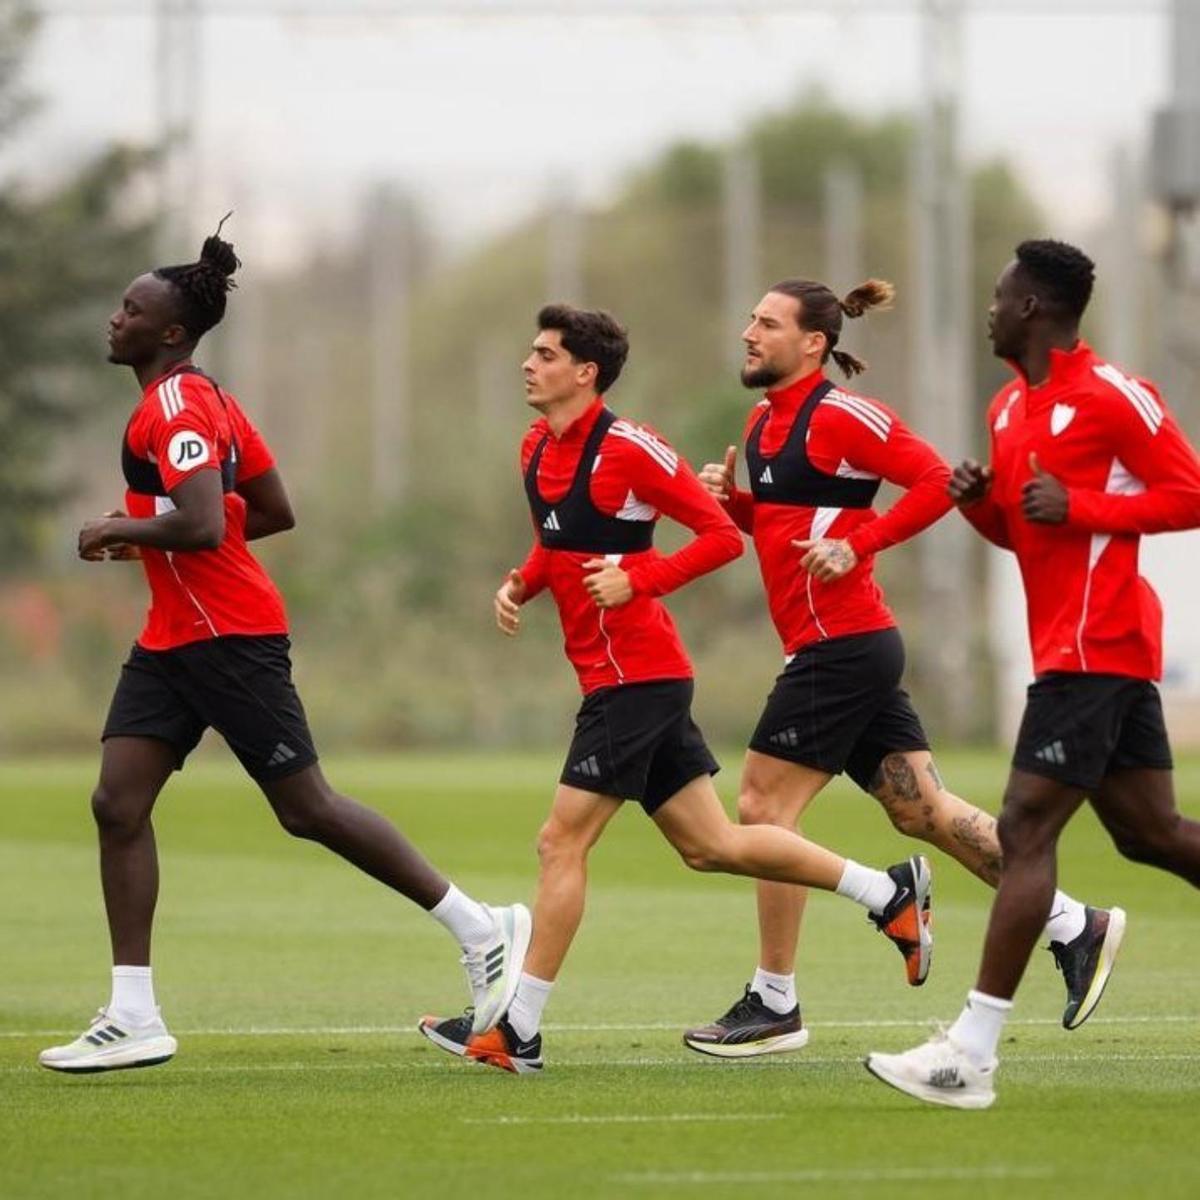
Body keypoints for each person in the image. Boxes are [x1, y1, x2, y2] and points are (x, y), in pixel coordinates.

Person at [39, 225, 530, 1074]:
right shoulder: (208, 400)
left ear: (171, 333)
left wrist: (118, 525)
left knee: (306, 809)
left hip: (230, 635)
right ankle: (133, 1014)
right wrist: (152, 541)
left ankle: (481, 928)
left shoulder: (182, 406)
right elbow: (268, 511)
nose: (114, 319)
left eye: (131, 308)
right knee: (117, 804)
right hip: (172, 639)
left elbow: (199, 522)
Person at [418, 304, 933, 1074]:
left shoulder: (632, 448)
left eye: (544, 353)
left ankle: (516, 1029)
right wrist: (522, 583)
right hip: (620, 678)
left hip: (639, 678)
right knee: (712, 846)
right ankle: (884, 892)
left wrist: (640, 579)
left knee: (561, 842)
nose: (528, 364)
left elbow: (723, 536)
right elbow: (557, 539)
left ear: (583, 373)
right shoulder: (535, 445)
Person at [683, 277, 1119, 1059]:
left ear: (812, 343)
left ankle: (777, 999)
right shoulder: (762, 423)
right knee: (924, 811)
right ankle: (1073, 923)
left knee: (760, 808)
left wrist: (862, 544)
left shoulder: (844, 414)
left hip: (840, 645)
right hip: (849, 647)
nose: (748, 332)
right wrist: (734, 507)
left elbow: (935, 481)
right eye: (749, 318)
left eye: (767, 323)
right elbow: (786, 526)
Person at [866, 238, 1200, 1109]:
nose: (987, 307)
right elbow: (1024, 535)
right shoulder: (1010, 409)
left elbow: (1192, 493)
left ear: (1034, 309)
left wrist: (1085, 504)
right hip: (1074, 650)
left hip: (1101, 645)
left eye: (998, 294)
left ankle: (970, 1054)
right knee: (1151, 835)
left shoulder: (1113, 395)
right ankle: (971, 1051)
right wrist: (981, 505)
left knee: (1023, 830)